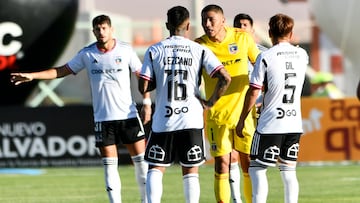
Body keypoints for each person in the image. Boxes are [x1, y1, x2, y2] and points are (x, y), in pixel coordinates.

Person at [10, 14, 150, 203]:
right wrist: (33, 76)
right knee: (110, 166)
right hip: (103, 119)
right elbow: (61, 70)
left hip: (128, 116)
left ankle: (147, 200)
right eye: (97, 29)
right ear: (93, 31)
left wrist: (147, 102)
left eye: (104, 28)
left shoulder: (125, 50)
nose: (101, 32)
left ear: (111, 30)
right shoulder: (87, 54)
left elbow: (143, 77)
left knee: (141, 165)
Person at [138, 6, 231, 203]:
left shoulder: (154, 50)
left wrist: (161, 79)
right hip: (191, 119)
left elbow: (143, 85)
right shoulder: (199, 49)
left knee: (156, 168)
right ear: (188, 25)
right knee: (190, 171)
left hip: (164, 119)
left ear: (167, 25)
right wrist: (210, 102)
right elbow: (225, 77)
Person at [236, 13, 308, 203]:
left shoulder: (265, 57)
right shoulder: (302, 55)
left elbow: (254, 91)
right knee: (289, 171)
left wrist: (242, 119)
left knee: (257, 168)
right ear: (291, 34)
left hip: (270, 123)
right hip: (293, 123)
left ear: (269, 33)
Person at [195, 4, 260, 203]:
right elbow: (192, 79)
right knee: (222, 163)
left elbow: (261, 68)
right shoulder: (199, 45)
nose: (207, 24)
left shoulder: (242, 38)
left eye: (211, 19)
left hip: (244, 113)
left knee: (248, 162)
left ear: (223, 20)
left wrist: (261, 97)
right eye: (204, 20)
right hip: (217, 115)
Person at [225, 13, 268, 203]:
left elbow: (269, 83)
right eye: (237, 25)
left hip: (253, 111)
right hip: (231, 108)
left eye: (244, 24)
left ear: (252, 28)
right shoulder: (227, 50)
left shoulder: (263, 53)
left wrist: (262, 101)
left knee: (248, 159)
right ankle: (235, 199)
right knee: (229, 156)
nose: (240, 28)